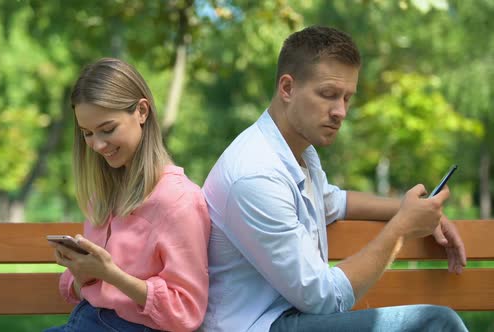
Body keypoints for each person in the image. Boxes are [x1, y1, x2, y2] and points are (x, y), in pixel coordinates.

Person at [200, 26, 468, 332]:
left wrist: (417, 210)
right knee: (435, 323)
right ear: (287, 88)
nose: (340, 111)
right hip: (260, 325)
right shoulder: (255, 174)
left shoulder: (298, 152)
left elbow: (333, 201)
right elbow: (324, 299)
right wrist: (402, 229)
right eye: (328, 95)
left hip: (291, 318)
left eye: (347, 98)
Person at [45, 58, 211, 332]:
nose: (97, 145)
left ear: (142, 111)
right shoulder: (104, 193)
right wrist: (81, 275)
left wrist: (111, 275)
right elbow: (79, 290)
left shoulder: (178, 200)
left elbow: (186, 311)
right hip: (85, 321)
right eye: (87, 133)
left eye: (108, 129)